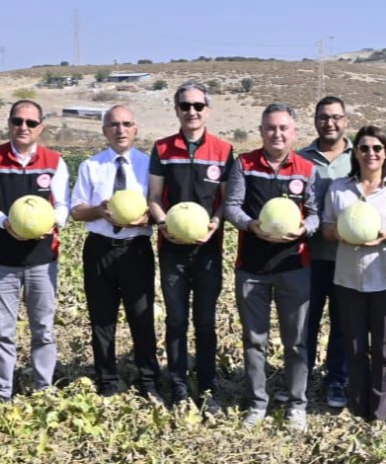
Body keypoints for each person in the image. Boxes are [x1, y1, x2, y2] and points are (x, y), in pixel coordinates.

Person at [223, 103, 320, 429]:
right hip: (252, 269)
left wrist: (304, 229)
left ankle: (296, 405)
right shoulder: (244, 164)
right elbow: (232, 207)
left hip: (295, 266)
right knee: (255, 340)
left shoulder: (306, 168)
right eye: (270, 128)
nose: (277, 133)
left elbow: (316, 213)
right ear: (262, 131)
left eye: (283, 128)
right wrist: (251, 226)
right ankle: (257, 403)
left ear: (294, 132)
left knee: (297, 341)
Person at [0, 100, 69, 401]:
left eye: (30, 122)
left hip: (42, 258)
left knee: (44, 328)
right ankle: (2, 390)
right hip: (3, 258)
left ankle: (43, 388)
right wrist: (5, 222)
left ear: (41, 127)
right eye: (17, 121)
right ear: (9, 123)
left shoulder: (55, 161)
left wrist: (53, 222)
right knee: (3, 329)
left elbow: (63, 204)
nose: (23, 127)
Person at [147, 83, 234, 409]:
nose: (192, 111)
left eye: (198, 105)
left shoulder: (223, 151)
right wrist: (162, 223)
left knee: (206, 321)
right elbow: (154, 198)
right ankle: (180, 387)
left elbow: (224, 201)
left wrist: (215, 223)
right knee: (176, 320)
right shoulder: (163, 149)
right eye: (185, 106)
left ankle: (208, 387)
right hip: (172, 248)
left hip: (208, 248)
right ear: (177, 110)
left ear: (207, 110)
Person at [321, 126, 386, 422]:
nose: (370, 153)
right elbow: (325, 228)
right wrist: (342, 232)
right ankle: (358, 408)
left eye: (377, 148)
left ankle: (379, 414)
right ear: (355, 153)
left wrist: (385, 235)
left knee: (384, 351)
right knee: (355, 348)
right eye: (364, 148)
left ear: (385, 153)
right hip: (349, 279)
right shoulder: (339, 189)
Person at [68, 105, 159, 398]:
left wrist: (145, 219)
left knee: (142, 317)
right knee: (101, 319)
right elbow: (76, 211)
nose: (120, 130)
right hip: (100, 250)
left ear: (136, 129)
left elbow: (158, 209)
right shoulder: (91, 166)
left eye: (126, 124)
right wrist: (98, 210)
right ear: (104, 130)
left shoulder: (150, 166)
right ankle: (107, 382)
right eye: (114, 125)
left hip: (136, 249)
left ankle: (149, 381)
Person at [299, 96, 354, 407]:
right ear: (315, 120)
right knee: (306, 323)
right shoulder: (301, 157)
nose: (329, 123)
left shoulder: (358, 156)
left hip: (347, 257)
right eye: (323, 117)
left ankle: (336, 381)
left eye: (335, 117)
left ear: (345, 121)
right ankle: (301, 380)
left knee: (343, 325)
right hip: (309, 255)